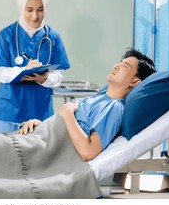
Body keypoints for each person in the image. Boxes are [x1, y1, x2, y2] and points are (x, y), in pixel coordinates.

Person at [18, 47, 156, 161]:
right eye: (120, 62)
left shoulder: (114, 107)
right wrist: (40, 125)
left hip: (41, 149)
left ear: (134, 82)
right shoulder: (97, 98)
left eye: (125, 66)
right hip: (36, 137)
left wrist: (67, 112)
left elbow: (88, 152)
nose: (116, 66)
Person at [0, 0, 70, 134]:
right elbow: (0, 71)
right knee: (3, 154)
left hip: (40, 110)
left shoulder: (53, 37)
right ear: (21, 8)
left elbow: (60, 73)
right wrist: (24, 70)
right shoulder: (6, 35)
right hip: (9, 109)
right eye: (29, 10)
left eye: (40, 10)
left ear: (46, 8)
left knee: (37, 156)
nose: (35, 16)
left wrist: (45, 79)